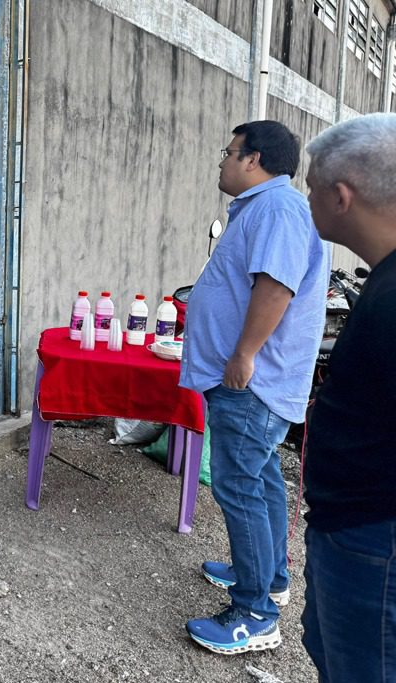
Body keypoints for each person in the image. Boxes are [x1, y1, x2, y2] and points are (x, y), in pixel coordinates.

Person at [179, 121, 329, 655]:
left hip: (253, 382)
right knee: (262, 479)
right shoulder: (266, 210)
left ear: (253, 159)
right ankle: (271, 580)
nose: (222, 161)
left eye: (229, 152)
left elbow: (276, 286)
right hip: (252, 381)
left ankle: (255, 615)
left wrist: (243, 354)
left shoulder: (278, 210)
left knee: (239, 488)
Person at [300, 113, 396, 681]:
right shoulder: (381, 281)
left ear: (340, 196)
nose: (305, 198)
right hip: (351, 529)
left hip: (374, 540)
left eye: (310, 186)